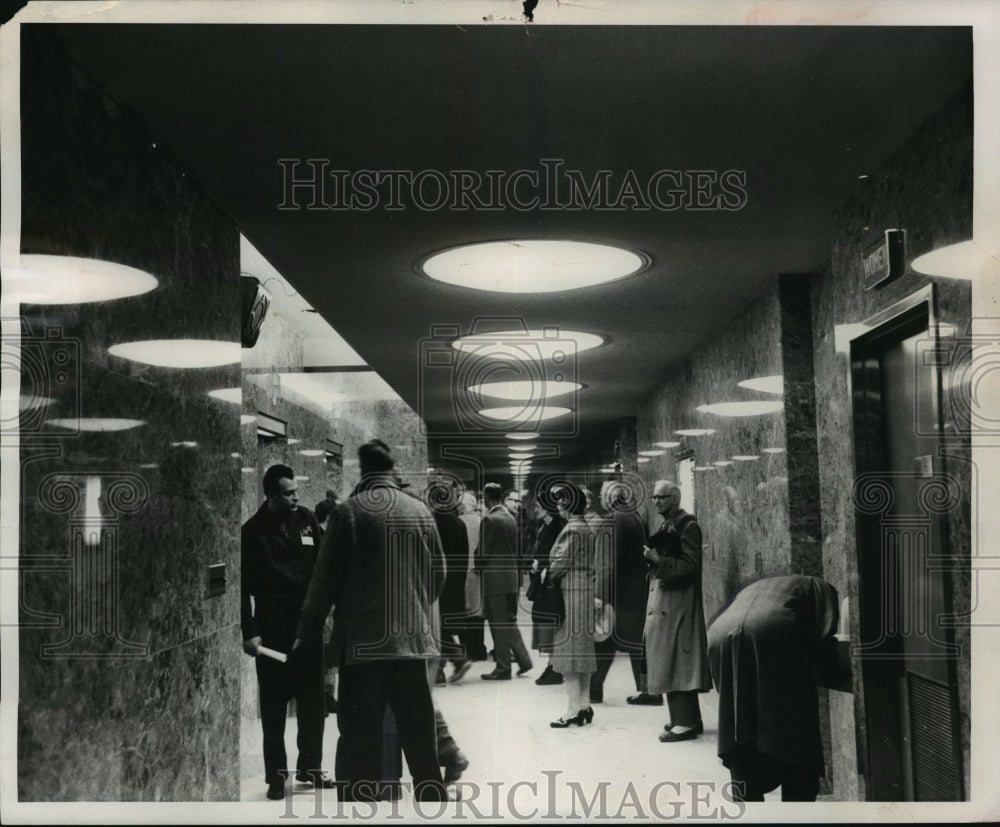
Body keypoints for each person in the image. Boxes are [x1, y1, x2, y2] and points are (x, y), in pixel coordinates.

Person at [293, 440, 447, 802]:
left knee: (360, 736)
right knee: (419, 734)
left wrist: (307, 631)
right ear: (391, 468)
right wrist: (414, 609)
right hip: (410, 643)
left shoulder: (348, 513)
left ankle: (357, 803)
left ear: (361, 470)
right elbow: (438, 573)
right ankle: (431, 798)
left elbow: (323, 582)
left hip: (363, 647)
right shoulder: (419, 510)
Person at [708, 575, 841, 802]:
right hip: (774, 628)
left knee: (739, 724)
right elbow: (824, 633)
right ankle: (797, 801)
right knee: (795, 731)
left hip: (718, 632)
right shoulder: (820, 587)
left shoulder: (759, 587)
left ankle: (748, 798)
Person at [241, 464, 330, 800]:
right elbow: (241, 588)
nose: (296, 497)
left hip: (306, 625)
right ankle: (277, 777)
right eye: (289, 492)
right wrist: (249, 631)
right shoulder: (252, 533)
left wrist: (323, 613)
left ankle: (310, 766)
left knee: (312, 704)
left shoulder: (306, 520)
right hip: (272, 627)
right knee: (275, 707)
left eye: (296, 491)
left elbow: (322, 567)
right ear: (271, 495)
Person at [641, 480, 712, 741]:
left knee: (678, 659)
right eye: (654, 497)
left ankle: (685, 722)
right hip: (669, 603)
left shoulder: (688, 526)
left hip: (678, 605)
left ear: (675, 498)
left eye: (661, 497)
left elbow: (691, 567)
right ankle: (685, 718)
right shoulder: (671, 523)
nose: (656, 501)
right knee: (670, 658)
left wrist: (658, 560)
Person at [589, 480, 648, 704]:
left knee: (602, 641)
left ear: (609, 497)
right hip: (633, 592)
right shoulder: (635, 517)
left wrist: (599, 596)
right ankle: (647, 690)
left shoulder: (612, 520)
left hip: (616, 594)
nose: (600, 500)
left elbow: (606, 563)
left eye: (602, 495)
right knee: (635, 643)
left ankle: (594, 689)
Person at [546, 483, 597, 727]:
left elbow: (559, 564)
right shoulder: (585, 527)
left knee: (569, 655)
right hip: (584, 592)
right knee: (583, 653)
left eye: (559, 501)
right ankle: (585, 705)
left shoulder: (572, 529)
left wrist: (544, 572)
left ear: (567, 505)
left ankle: (572, 709)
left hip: (571, 594)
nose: (557, 506)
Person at [478, 482, 533, 680]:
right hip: (511, 578)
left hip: (495, 581)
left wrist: (476, 564)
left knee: (498, 624)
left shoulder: (490, 520)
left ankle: (503, 668)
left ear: (486, 498)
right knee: (509, 621)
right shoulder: (510, 519)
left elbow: (483, 553)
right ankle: (524, 660)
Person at [426, 480, 472, 684]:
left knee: (435, 626)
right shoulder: (459, 522)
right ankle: (447, 665)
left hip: (437, 581)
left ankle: (453, 660)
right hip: (455, 581)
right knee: (441, 625)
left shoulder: (431, 521)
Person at [528, 487, 567, 686]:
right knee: (547, 624)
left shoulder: (557, 527)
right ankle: (553, 665)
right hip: (545, 581)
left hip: (552, 582)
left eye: (538, 506)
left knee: (552, 625)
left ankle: (555, 667)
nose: (535, 509)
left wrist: (540, 565)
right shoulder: (545, 526)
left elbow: (558, 556)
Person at [458, 490, 488, 661]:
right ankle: (480, 648)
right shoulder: (481, 521)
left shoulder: (458, 521)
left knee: (464, 611)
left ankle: (468, 648)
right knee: (478, 611)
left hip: (462, 572)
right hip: (478, 571)